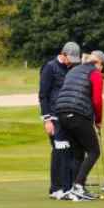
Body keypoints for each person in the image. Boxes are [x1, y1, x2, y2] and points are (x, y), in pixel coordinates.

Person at [55, 50, 104, 201]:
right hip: (78, 114)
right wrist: (98, 120)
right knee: (94, 151)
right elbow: (97, 100)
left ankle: (75, 189)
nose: (102, 70)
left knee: (78, 154)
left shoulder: (74, 70)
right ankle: (78, 186)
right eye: (103, 67)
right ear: (99, 63)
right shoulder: (95, 73)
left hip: (62, 114)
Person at [38, 41, 81, 199]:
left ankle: (62, 188)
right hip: (54, 117)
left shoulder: (71, 68)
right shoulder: (50, 67)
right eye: (70, 59)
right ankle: (58, 189)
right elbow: (43, 95)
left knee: (65, 152)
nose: (71, 62)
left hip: (67, 116)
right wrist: (47, 120)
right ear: (63, 54)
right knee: (60, 151)